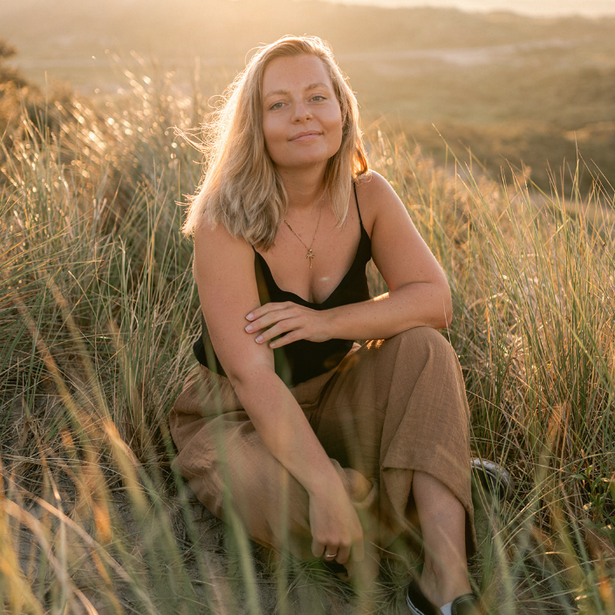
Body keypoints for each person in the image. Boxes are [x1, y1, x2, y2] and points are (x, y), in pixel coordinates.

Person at [170, 35, 481, 615]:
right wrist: (325, 488)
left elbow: (435, 302)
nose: (303, 115)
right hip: (236, 415)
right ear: (254, 125)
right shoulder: (225, 217)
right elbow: (252, 375)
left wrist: (326, 323)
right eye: (278, 104)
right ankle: (429, 484)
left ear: (342, 109)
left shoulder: (370, 196)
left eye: (317, 96)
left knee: (426, 349)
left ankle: (446, 581)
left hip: (339, 394)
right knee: (277, 495)